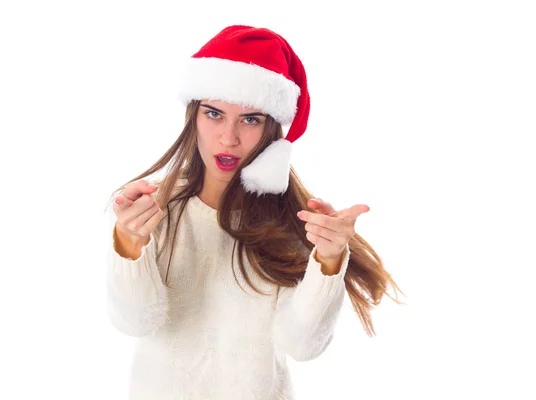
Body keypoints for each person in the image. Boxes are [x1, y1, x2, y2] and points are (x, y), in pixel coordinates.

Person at [105, 25, 403, 400]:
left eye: (250, 119)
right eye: (214, 114)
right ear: (193, 116)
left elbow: (302, 345)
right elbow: (134, 321)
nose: (228, 137)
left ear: (271, 130)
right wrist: (130, 245)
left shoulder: (291, 220)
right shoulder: (151, 209)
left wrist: (328, 259)